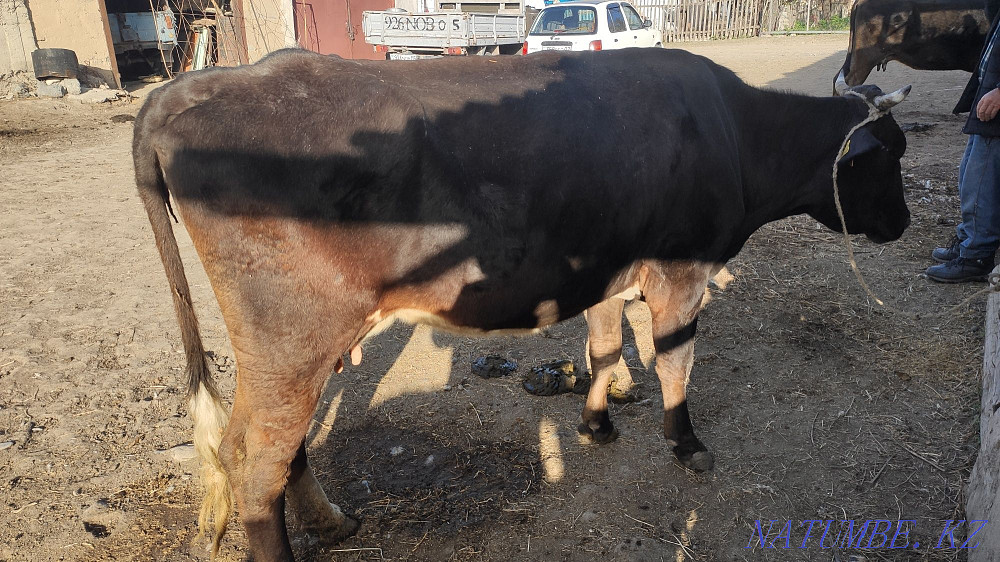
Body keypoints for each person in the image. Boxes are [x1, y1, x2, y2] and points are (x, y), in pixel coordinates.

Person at [926, 14, 1000, 282]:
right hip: (988, 98)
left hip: (996, 106)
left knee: (980, 184)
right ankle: (969, 238)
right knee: (969, 175)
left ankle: (976, 255)